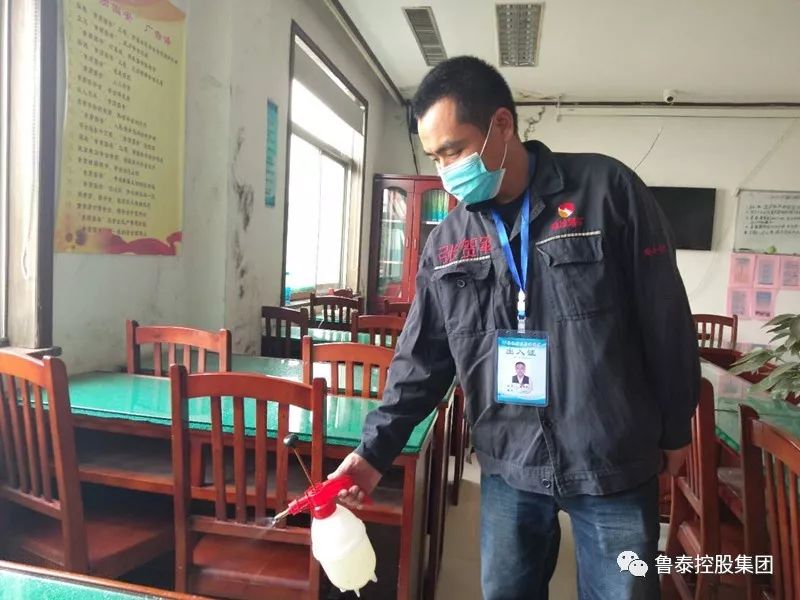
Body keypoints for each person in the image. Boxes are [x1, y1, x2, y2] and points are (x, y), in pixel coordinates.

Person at [330, 56, 700, 600]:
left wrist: (674, 428)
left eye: (454, 150)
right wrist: (371, 454)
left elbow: (665, 318)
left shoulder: (607, 191)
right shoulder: (448, 241)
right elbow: (421, 359)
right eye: (435, 158)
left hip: (611, 458)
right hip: (509, 461)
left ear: (501, 125)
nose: (446, 171)